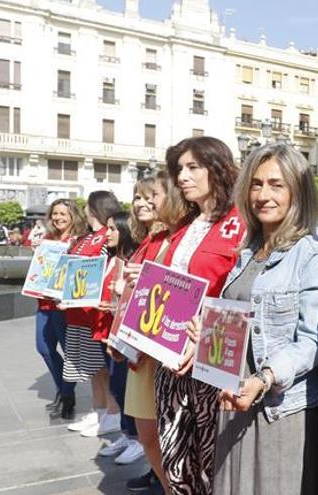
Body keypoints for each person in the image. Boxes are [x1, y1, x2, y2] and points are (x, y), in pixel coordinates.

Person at [203, 143, 318, 495]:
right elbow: (234, 321)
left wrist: (265, 377)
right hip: (235, 400)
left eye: (276, 184)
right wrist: (199, 338)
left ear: (297, 192)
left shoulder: (310, 257)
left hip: (278, 409)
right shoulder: (247, 252)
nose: (263, 194)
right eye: (256, 184)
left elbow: (313, 341)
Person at [156, 137, 245, 494]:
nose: (182, 177)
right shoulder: (185, 225)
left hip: (212, 362)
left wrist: (206, 334)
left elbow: (244, 293)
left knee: (212, 461)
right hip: (170, 360)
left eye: (193, 167)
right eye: (179, 169)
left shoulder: (242, 222)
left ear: (218, 169)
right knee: (176, 458)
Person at [122, 171, 185, 494]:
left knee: (157, 434)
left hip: (158, 347)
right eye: (139, 198)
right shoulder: (151, 239)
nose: (144, 203)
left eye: (152, 196)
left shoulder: (175, 238)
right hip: (139, 345)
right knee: (147, 433)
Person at [63, 191, 123, 437]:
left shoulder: (103, 240)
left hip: (93, 312)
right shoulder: (86, 238)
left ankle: (112, 412)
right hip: (79, 312)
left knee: (101, 368)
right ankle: (100, 411)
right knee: (91, 368)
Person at [97, 211, 144, 464]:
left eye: (112, 229)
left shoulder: (136, 260)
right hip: (115, 332)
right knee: (116, 384)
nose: (107, 234)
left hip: (131, 335)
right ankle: (128, 434)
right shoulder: (116, 259)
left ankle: (138, 438)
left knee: (125, 385)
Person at [38, 198, 88, 420]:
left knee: (70, 353)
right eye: (55, 214)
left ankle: (67, 396)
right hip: (44, 303)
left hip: (64, 306)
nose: (58, 218)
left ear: (73, 217)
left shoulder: (80, 241)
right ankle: (63, 390)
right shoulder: (47, 239)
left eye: (63, 214)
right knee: (44, 348)